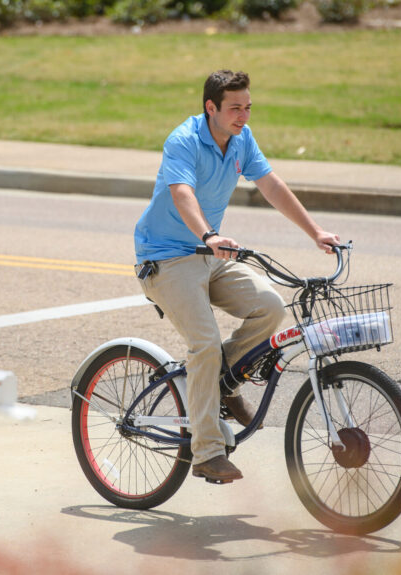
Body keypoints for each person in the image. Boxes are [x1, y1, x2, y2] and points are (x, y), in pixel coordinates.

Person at [134, 70, 340, 484]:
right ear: (211, 107)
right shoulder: (184, 140)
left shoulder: (241, 139)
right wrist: (209, 234)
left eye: (247, 107)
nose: (243, 116)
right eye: (234, 108)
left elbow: (270, 184)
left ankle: (222, 385)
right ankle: (207, 451)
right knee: (205, 344)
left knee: (270, 307)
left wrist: (315, 231)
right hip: (167, 258)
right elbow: (181, 193)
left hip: (209, 255)